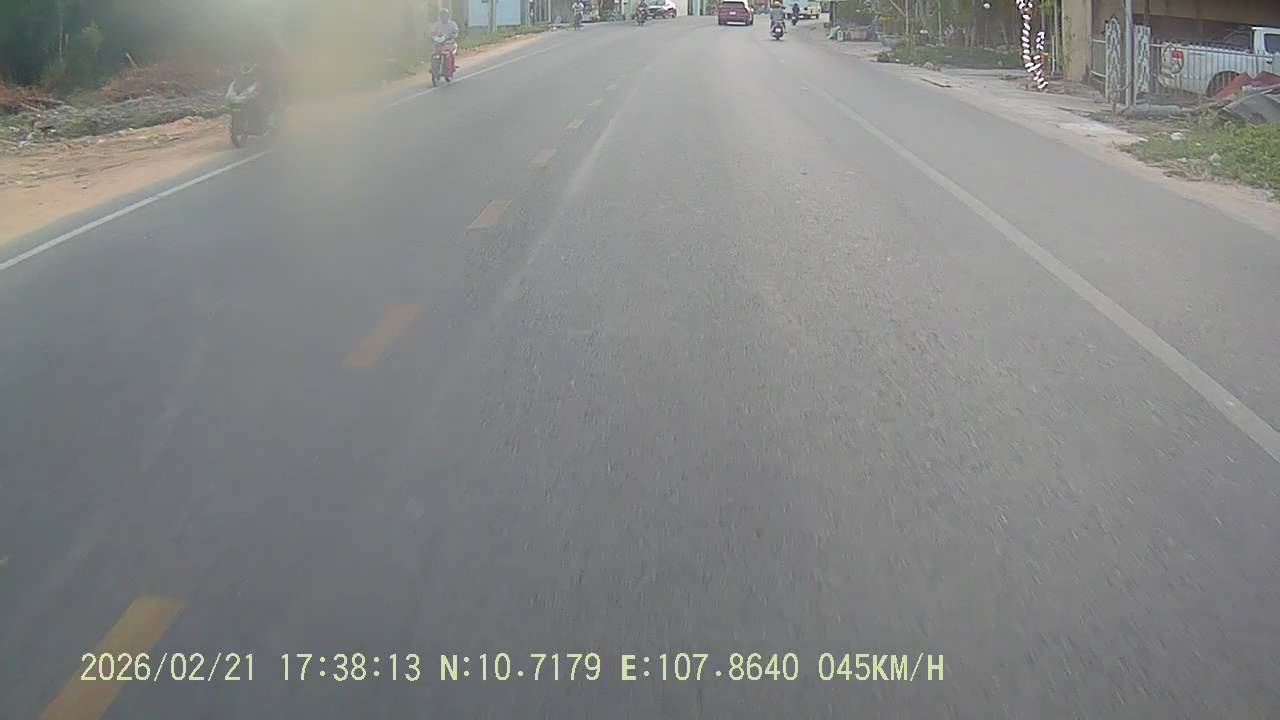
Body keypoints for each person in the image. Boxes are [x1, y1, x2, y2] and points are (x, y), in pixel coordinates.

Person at [432, 8, 460, 75]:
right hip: (439, 43)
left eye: (444, 15)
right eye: (442, 15)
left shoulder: (452, 24)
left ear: (447, 16)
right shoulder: (437, 24)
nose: (443, 17)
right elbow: (433, 33)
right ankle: (434, 67)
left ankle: (452, 66)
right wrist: (432, 36)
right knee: (433, 53)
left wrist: (453, 35)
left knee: (450, 53)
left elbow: (455, 32)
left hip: (450, 43)